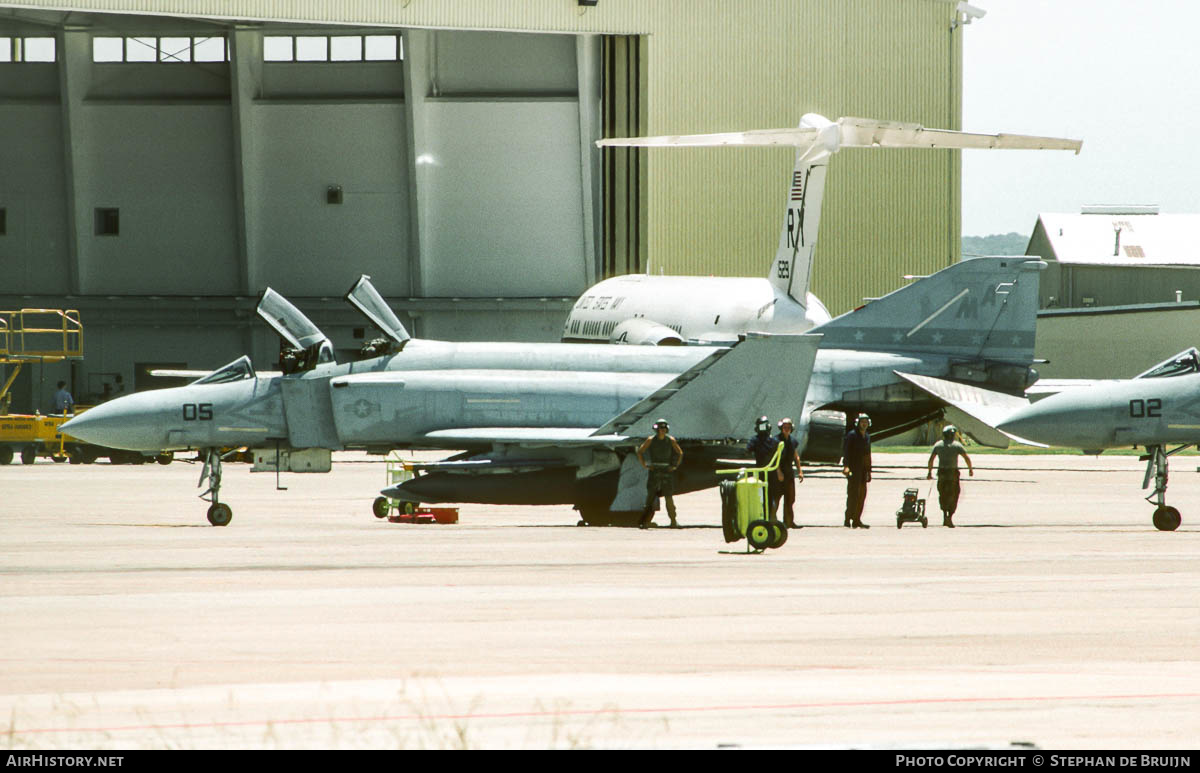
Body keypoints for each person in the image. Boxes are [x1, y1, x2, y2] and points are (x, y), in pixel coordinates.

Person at [637, 418, 683, 529]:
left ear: (666, 429)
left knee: (668, 497)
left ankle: (673, 521)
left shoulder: (670, 440)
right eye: (660, 428)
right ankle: (644, 522)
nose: (661, 430)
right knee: (650, 498)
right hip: (655, 470)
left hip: (666, 470)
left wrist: (674, 466)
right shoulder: (650, 440)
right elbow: (640, 451)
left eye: (663, 428)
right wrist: (645, 464)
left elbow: (680, 453)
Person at [926, 424, 974, 527]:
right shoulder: (957, 445)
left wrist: (929, 472)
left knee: (943, 495)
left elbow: (931, 459)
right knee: (954, 495)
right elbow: (966, 457)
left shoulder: (938, 445)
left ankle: (945, 515)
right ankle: (950, 517)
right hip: (952, 474)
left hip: (942, 473)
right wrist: (970, 469)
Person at [841, 412, 872, 529]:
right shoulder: (852, 435)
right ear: (858, 423)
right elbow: (846, 451)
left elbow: (868, 454)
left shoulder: (867, 436)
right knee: (853, 494)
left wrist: (869, 471)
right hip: (854, 468)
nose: (864, 424)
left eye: (866, 422)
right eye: (862, 422)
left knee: (862, 495)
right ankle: (847, 519)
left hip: (863, 470)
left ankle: (857, 519)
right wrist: (846, 466)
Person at [773, 417, 804, 529]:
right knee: (776, 497)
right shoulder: (776, 441)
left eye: (789, 428)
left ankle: (789, 521)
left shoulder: (792, 441)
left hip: (789, 473)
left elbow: (796, 456)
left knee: (790, 498)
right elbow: (774, 458)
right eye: (785, 427)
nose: (786, 429)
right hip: (779, 473)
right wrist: (778, 472)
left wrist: (800, 471)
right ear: (781, 428)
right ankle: (772, 520)